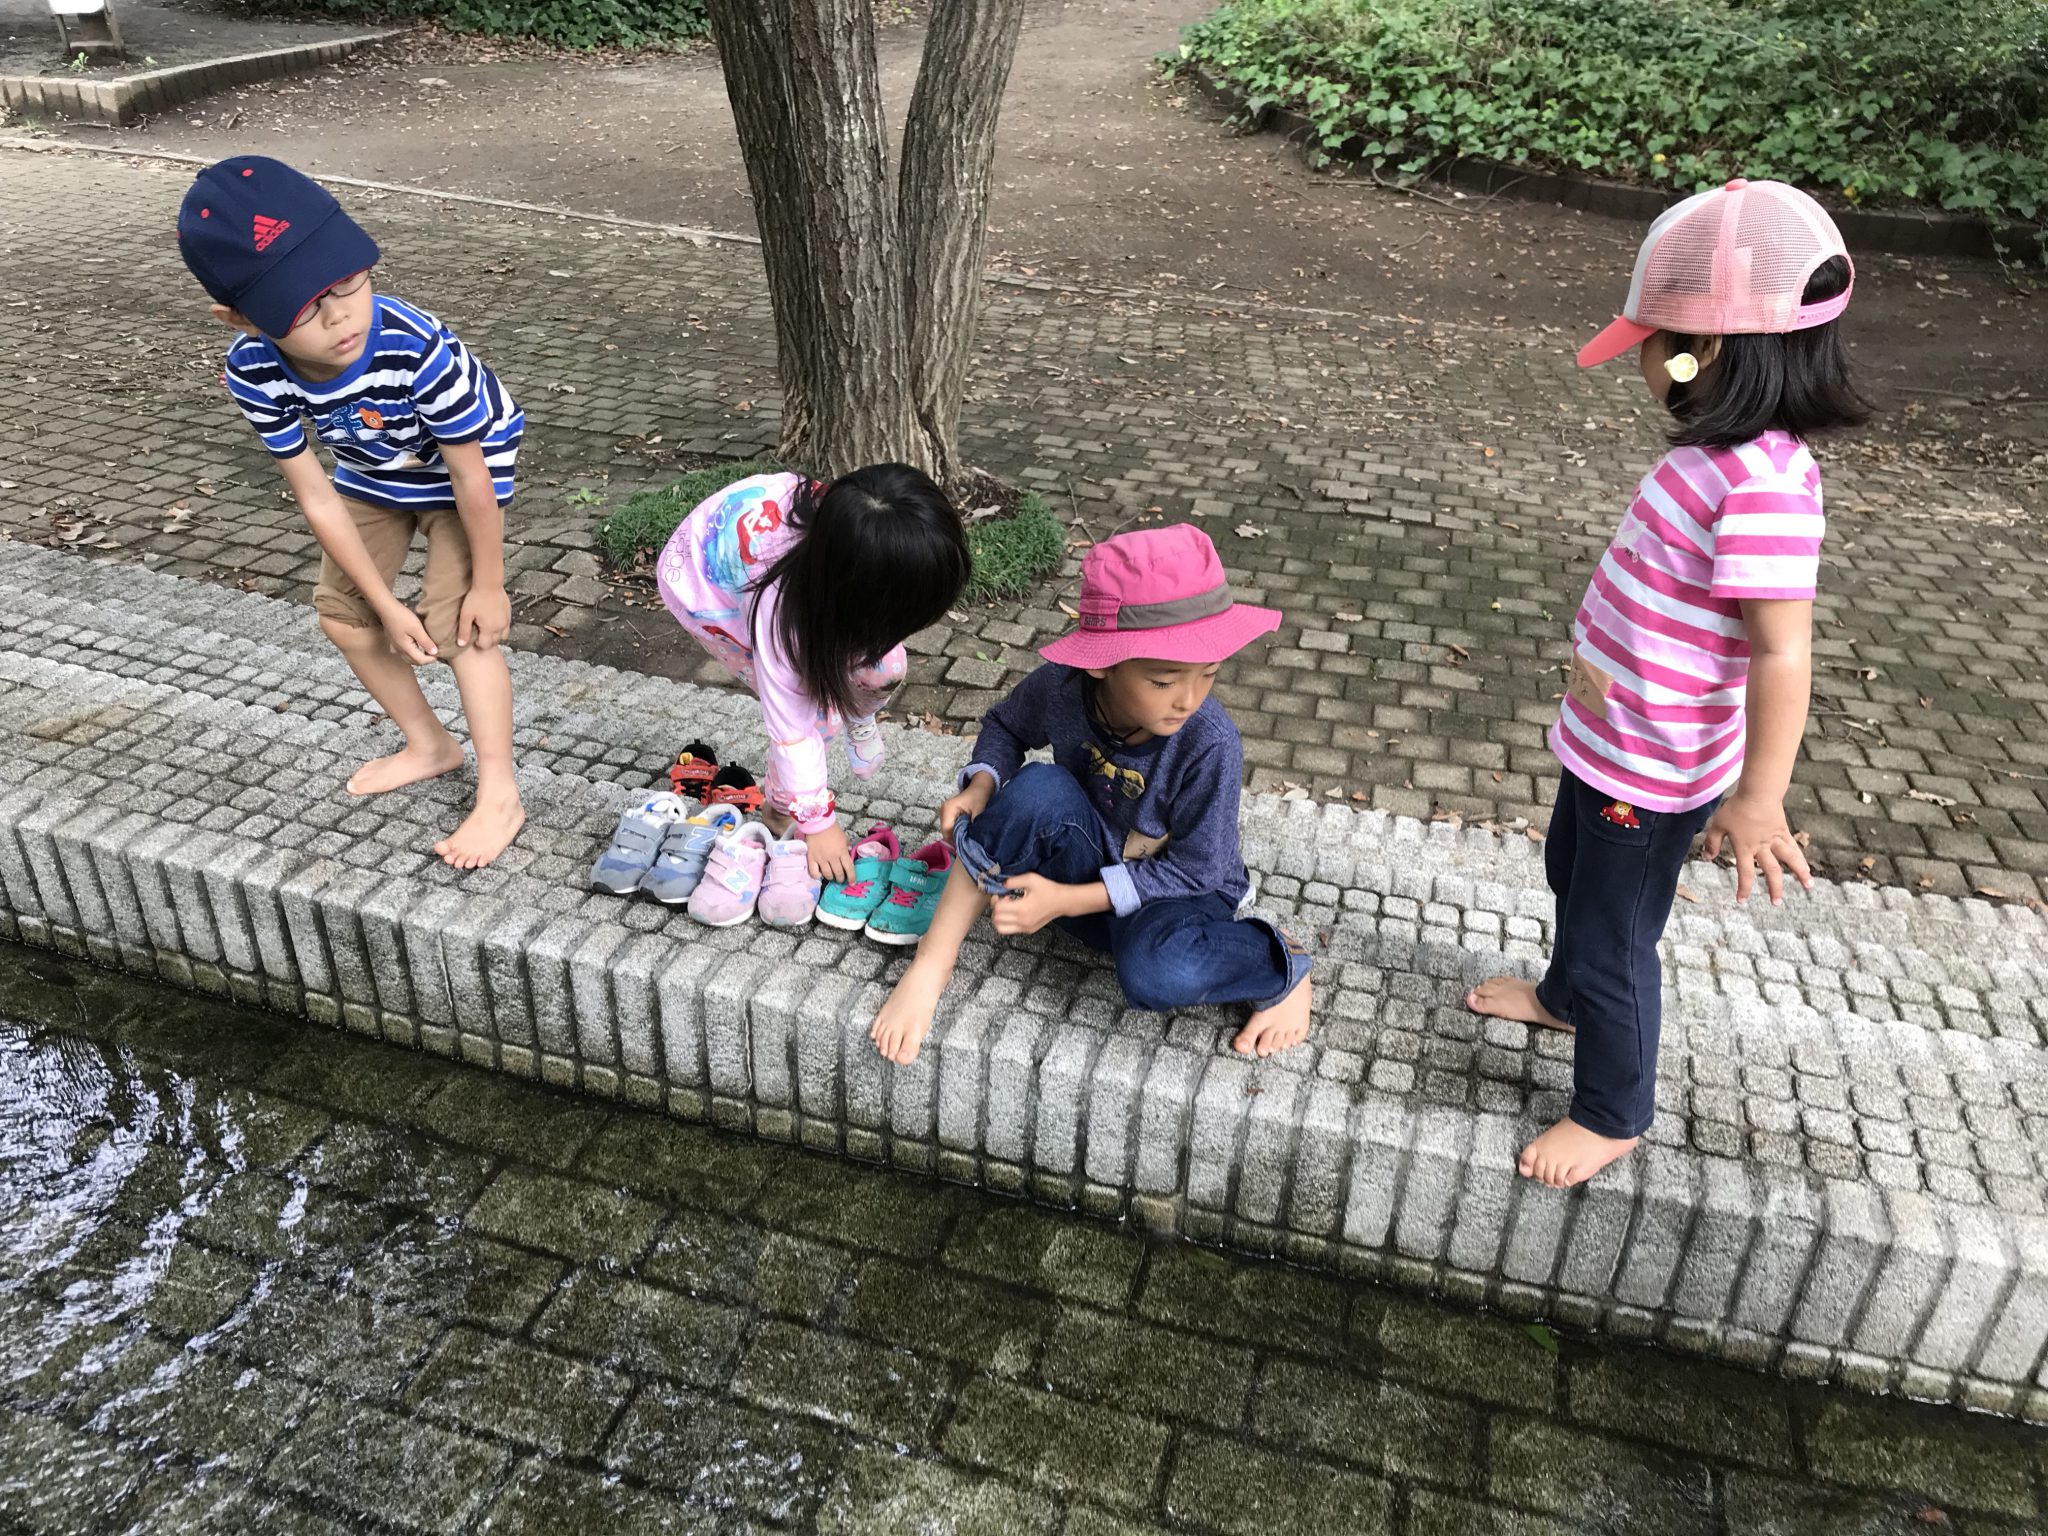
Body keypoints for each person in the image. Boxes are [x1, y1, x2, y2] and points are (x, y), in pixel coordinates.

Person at [1467, 179, 1866, 1188]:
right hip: (1608, 740)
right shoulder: (1716, 455)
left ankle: (1613, 1111)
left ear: (1706, 350)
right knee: (1571, 875)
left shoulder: (1763, 486)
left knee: (1615, 938)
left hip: (1653, 772)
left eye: (1650, 343)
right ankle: (1564, 998)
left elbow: (1781, 652)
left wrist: (1759, 797)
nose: (1642, 363)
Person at [177, 156, 527, 869]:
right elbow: (315, 494)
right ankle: (430, 744)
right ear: (239, 319)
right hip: (370, 472)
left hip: (463, 470)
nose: (339, 314)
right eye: (302, 307)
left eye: (346, 282)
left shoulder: (414, 345)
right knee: (343, 615)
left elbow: (471, 476)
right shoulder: (252, 370)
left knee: (460, 626)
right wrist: (383, 606)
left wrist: (490, 586)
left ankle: (501, 793)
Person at [870, 524, 1313, 1067]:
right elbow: (1006, 725)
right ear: (1100, 661)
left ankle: (1280, 962)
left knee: (1156, 970)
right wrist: (981, 785)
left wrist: (1065, 901)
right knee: (1036, 788)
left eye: (1209, 675)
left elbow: (1198, 870)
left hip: (1176, 896)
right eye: (1164, 681)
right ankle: (931, 963)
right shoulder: (1062, 687)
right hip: (1090, 857)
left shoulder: (1209, 743)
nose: (1188, 699)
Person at [655, 466, 969, 882]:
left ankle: (856, 715)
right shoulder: (779, 620)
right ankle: (778, 811)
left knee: (886, 666)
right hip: (705, 583)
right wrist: (819, 823)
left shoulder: (857, 531)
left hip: (797, 572)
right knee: (814, 716)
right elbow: (791, 728)